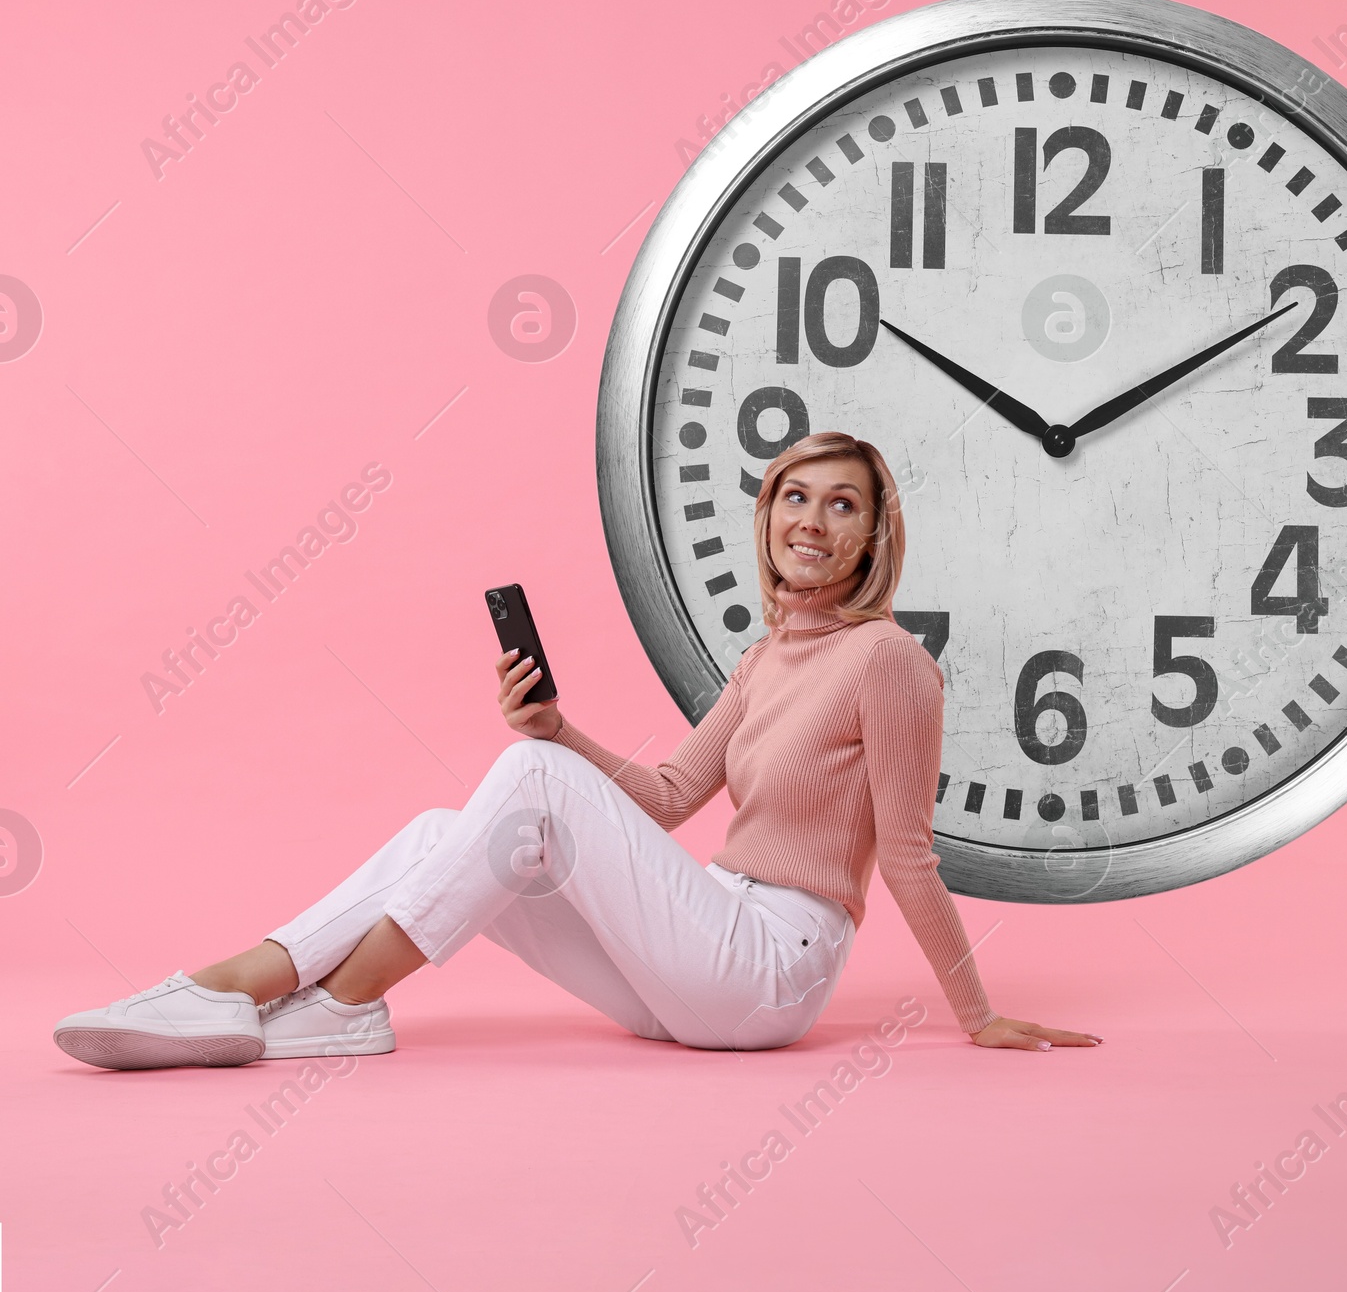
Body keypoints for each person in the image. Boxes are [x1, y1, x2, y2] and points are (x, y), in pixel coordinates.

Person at [54, 431, 1101, 1070]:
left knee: (527, 788)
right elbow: (666, 795)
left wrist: (978, 1014)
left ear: (873, 537)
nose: (812, 519)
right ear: (767, 514)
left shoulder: (889, 661)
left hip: (770, 970)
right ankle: (265, 990)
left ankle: (313, 1001)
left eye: (842, 504)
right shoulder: (762, 661)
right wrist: (560, 732)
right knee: (445, 828)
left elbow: (909, 851)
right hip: (699, 955)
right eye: (795, 495)